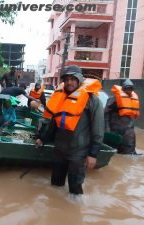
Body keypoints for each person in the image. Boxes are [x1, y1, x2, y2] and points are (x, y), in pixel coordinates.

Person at [35, 65, 104, 195]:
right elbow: (53, 123)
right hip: (59, 149)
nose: (69, 82)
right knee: (55, 185)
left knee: (75, 190)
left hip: (78, 152)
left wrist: (93, 154)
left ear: (80, 80)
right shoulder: (60, 97)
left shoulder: (92, 100)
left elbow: (98, 130)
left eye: (73, 79)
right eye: (66, 79)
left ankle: (74, 211)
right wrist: (42, 139)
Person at [104, 79, 140, 154]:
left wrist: (130, 129)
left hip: (128, 132)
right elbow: (106, 114)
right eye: (127, 89)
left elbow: (133, 116)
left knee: (130, 154)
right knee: (111, 152)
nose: (129, 91)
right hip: (114, 131)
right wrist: (107, 129)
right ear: (123, 89)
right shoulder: (113, 99)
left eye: (130, 89)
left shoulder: (134, 100)